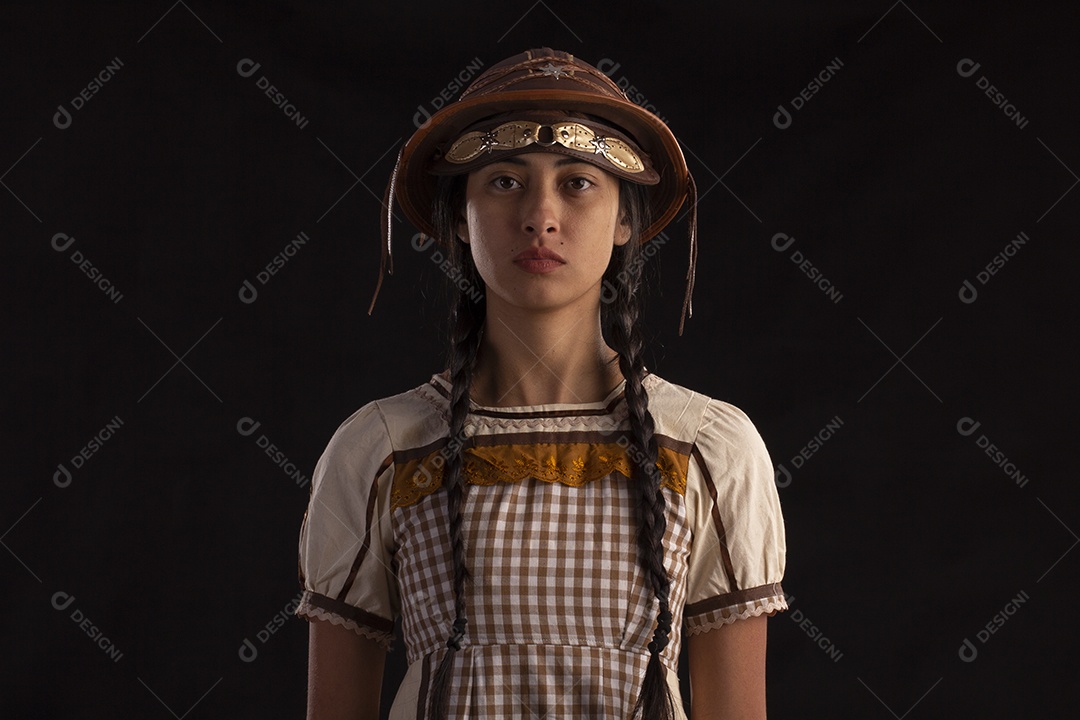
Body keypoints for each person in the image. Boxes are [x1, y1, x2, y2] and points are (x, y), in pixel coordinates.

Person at [295, 47, 788, 720]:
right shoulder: (380, 449)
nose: (540, 215)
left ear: (624, 221)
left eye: (578, 181)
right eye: (503, 181)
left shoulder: (707, 447)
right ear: (461, 221)